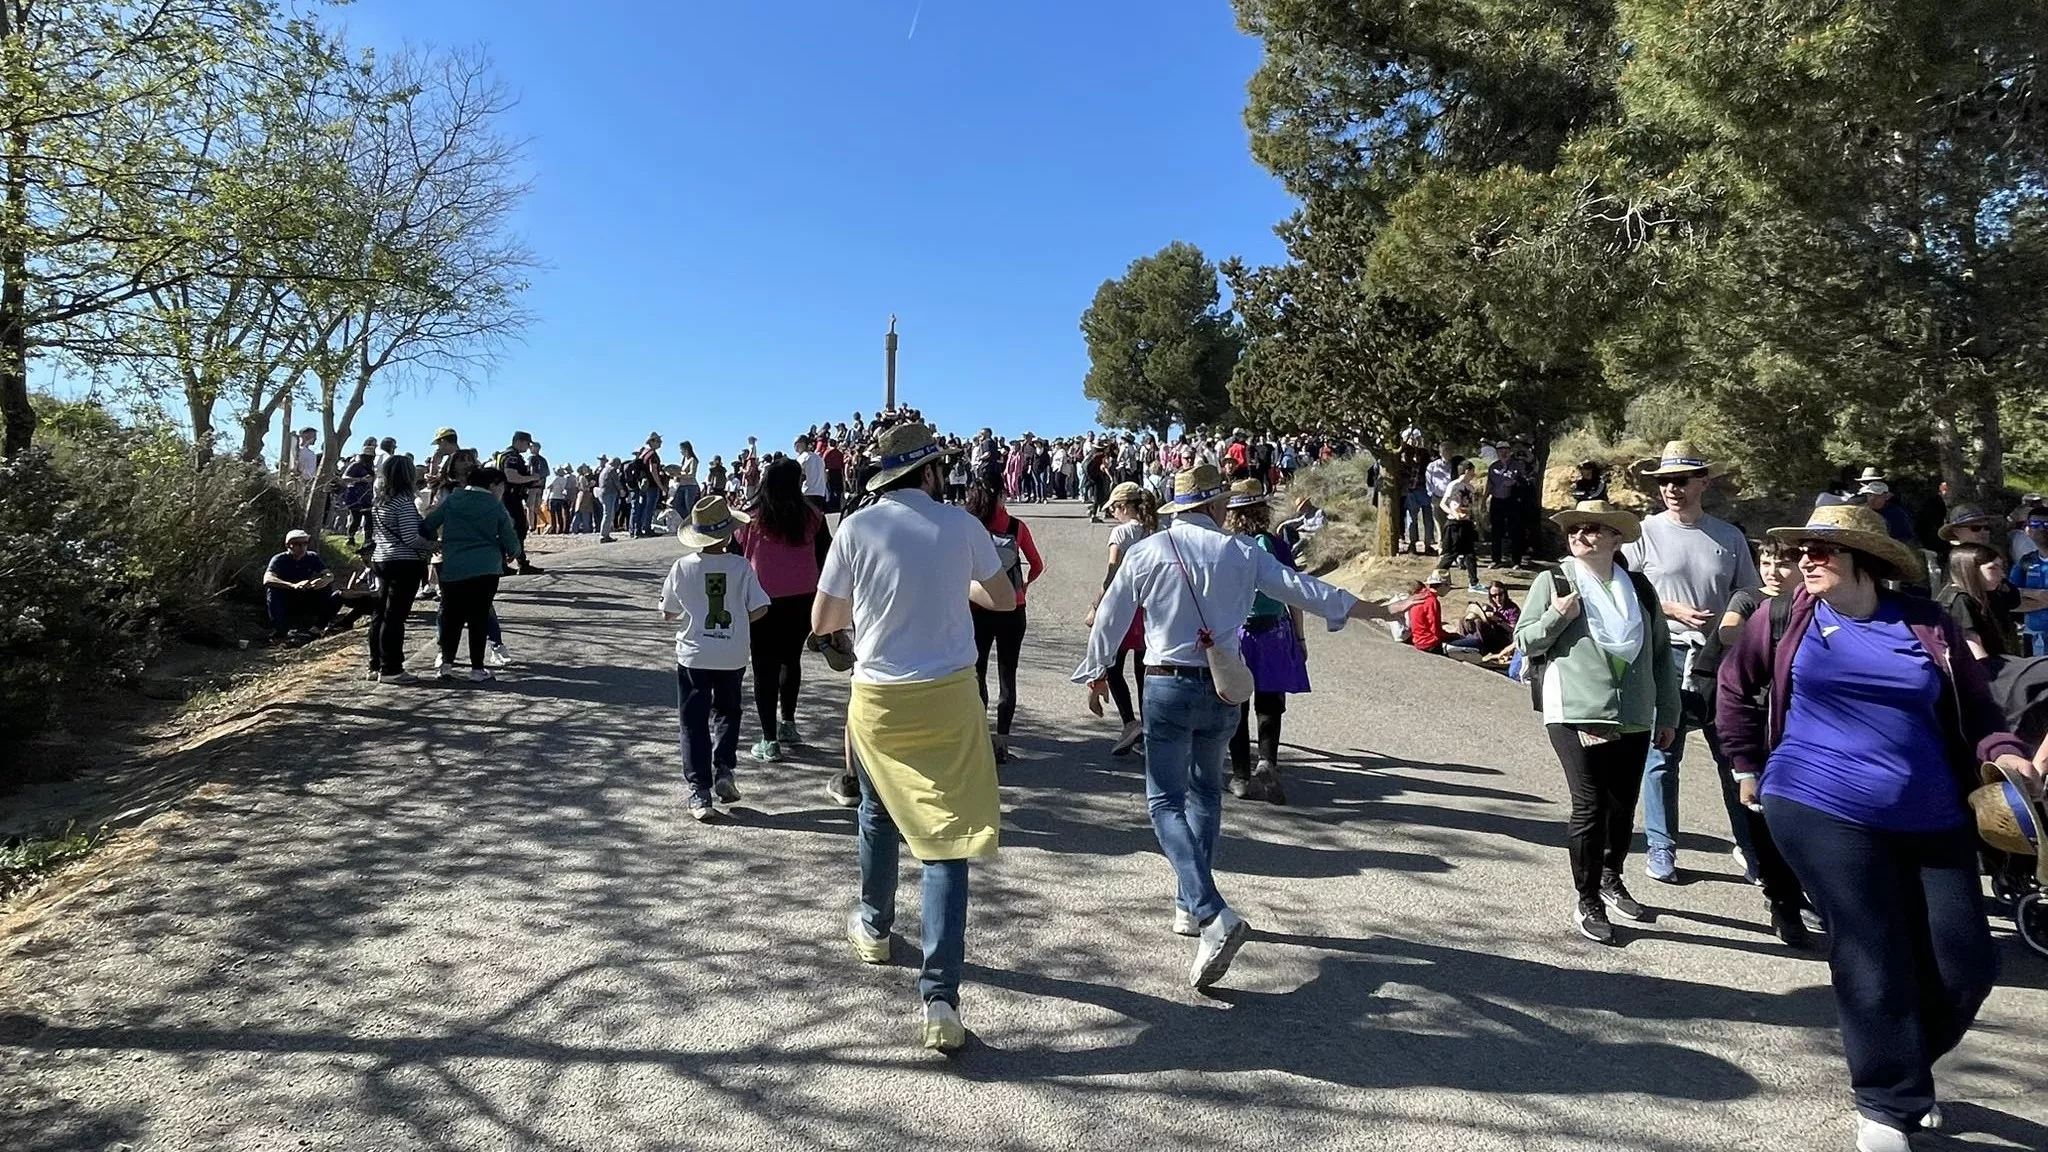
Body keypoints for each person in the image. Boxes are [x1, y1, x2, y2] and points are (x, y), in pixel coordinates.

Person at [1717, 502, 2045, 1152]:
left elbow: (1979, 711)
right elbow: (1734, 685)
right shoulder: (1785, 618)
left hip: (1932, 814)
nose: (1803, 562)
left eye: (1820, 551)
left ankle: (1901, 1067)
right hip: (1814, 801)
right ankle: (1883, 1104)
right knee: (1873, 949)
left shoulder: (1928, 625)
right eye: (1800, 551)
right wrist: (1746, 762)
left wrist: (2002, 751)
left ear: (1863, 560)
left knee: (1965, 965)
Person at [1075, 464, 1388, 988]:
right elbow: (1303, 590)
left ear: (1180, 508)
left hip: (1166, 684)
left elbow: (1110, 616)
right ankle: (1187, 906)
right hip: (1223, 685)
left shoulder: (1146, 552)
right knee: (1205, 794)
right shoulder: (1243, 552)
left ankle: (1208, 909)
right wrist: (1373, 608)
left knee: (1163, 801)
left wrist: (1096, 673)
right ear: (1216, 506)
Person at [811, 423, 1016, 1052]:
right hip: (950, 695)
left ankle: (874, 924)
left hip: (879, 698)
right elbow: (1003, 600)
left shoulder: (858, 526)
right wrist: (955, 582)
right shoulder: (963, 526)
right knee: (945, 840)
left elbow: (826, 620)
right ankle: (940, 998)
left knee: (877, 814)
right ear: (931, 472)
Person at [1516, 500, 1680, 944]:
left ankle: (1611, 877)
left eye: (1593, 529)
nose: (1580, 535)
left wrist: (1668, 712)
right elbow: (1525, 641)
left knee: (1622, 805)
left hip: (1631, 712)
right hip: (1574, 709)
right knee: (1589, 805)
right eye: (1575, 528)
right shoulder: (1554, 580)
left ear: (1616, 538)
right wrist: (1558, 616)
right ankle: (1586, 898)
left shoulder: (1640, 589)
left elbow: (1661, 655)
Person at [1623, 440, 1760, 885]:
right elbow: (1626, 589)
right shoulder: (1644, 532)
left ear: (1703, 482)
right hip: (1669, 654)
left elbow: (1749, 591)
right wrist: (1672, 610)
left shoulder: (1729, 536)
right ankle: (1661, 846)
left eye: (1681, 481)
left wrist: (1734, 616)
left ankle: (1753, 850)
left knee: (1734, 759)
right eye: (1664, 482)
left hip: (1719, 659)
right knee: (1662, 754)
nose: (1671, 489)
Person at [1692, 539, 1815, 942]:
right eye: (1765, 562)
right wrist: (1758, 635)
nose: (1773, 571)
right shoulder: (1752, 600)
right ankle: (1782, 900)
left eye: (1783, 564)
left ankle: (1798, 890)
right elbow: (1729, 632)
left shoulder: (1816, 607)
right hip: (1755, 718)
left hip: (1803, 725)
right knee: (1761, 809)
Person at [661, 496, 773, 821]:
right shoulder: (740, 567)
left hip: (694, 654)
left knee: (692, 722)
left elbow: (669, 612)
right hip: (732, 653)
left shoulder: (682, 567)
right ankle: (724, 767)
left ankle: (699, 791)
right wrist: (736, 620)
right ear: (728, 535)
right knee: (728, 711)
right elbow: (760, 607)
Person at [735, 459, 831, 763]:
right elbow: (826, 555)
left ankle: (769, 739)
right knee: (791, 659)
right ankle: (788, 723)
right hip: (804, 599)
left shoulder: (752, 518)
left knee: (764, 667)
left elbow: (736, 556)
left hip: (761, 601)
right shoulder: (813, 516)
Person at [1222, 480, 1308, 805]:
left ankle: (1241, 776)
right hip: (1275, 630)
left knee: (1237, 704)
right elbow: (1294, 592)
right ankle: (1267, 762)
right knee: (1270, 702)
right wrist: (1299, 637)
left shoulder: (1229, 546)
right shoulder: (1276, 544)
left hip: (1239, 632)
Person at [964, 478, 1042, 764]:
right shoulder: (1016, 527)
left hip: (977, 607)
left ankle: (980, 736)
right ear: (999, 496)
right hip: (1012, 608)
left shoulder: (971, 527)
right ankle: (1003, 741)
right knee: (1008, 675)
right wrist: (1023, 588)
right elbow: (1037, 563)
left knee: (977, 672)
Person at [422, 466, 522, 682]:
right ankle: (477, 669)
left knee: (451, 616)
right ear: (493, 484)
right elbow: (508, 535)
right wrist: (514, 552)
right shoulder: (494, 505)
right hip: (485, 568)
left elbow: (428, 524)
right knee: (479, 617)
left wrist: (434, 542)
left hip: (453, 567)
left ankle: (445, 665)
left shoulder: (453, 501)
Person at [1085, 481, 1156, 757]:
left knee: (1113, 666)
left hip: (1124, 608)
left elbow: (1112, 573)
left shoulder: (1120, 533)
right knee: (1144, 672)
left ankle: (1129, 723)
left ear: (1124, 507)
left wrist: (1097, 605)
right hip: (1149, 607)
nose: (1113, 513)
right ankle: (1148, 729)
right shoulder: (1154, 530)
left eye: (1114, 508)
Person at [367, 456, 431, 685]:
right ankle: (391, 668)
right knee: (395, 616)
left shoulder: (379, 502)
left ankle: (375, 663)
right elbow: (411, 538)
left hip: (382, 559)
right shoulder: (403, 503)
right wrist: (432, 544)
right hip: (403, 562)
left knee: (380, 614)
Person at [1936, 544, 2015, 659]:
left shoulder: (1985, 595)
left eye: (2001, 568)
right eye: (1993, 568)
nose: (2002, 574)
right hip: (1983, 672)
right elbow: (1976, 651)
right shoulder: (1960, 600)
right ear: (1970, 569)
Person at [263, 529, 341, 643]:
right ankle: (279, 630)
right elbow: (267, 579)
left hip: (306, 594)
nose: (302, 547)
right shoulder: (279, 559)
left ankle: (319, 626)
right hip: (286, 595)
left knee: (326, 589)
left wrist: (323, 581)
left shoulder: (312, 557)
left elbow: (329, 574)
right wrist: (292, 585)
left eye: (305, 543)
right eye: (297, 544)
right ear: (288, 545)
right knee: (273, 591)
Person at [494, 432, 545, 575]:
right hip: (510, 497)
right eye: (527, 444)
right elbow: (511, 476)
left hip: (508, 496)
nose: (528, 447)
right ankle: (520, 563)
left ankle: (507, 563)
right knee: (518, 529)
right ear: (520, 442)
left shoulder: (507, 455)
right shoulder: (512, 457)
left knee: (511, 529)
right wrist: (531, 478)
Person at [1437, 473, 1482, 593]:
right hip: (1454, 526)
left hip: (1466, 525)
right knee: (1450, 555)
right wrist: (1455, 514)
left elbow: (1470, 508)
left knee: (1470, 554)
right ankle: (1435, 580)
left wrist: (1472, 519)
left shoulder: (1469, 489)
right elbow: (1445, 504)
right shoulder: (1455, 487)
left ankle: (1474, 583)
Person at [630, 433, 665, 538]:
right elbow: (653, 471)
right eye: (658, 441)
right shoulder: (652, 455)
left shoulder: (644, 453)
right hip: (652, 485)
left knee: (642, 507)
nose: (660, 443)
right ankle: (647, 529)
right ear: (652, 442)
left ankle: (638, 529)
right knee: (649, 508)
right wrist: (661, 486)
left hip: (643, 485)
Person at [339, 448, 376, 545]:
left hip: (367, 496)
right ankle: (350, 538)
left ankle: (368, 539)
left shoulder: (371, 468)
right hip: (355, 495)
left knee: (369, 518)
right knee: (356, 518)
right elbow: (344, 478)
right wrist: (361, 479)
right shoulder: (355, 465)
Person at [795, 434, 829, 510]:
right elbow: (825, 477)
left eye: (797, 444)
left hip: (807, 493)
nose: (795, 448)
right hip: (820, 493)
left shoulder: (802, 458)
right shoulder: (819, 458)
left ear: (803, 444)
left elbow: (799, 477)